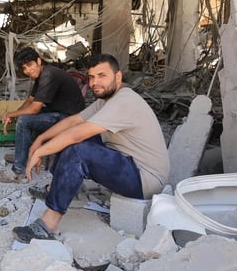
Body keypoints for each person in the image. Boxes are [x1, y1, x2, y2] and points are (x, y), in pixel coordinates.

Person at [12, 54, 169, 243]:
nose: (95, 82)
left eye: (102, 75)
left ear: (118, 76)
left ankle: (48, 225)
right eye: (92, 77)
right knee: (73, 135)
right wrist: (42, 139)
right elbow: (74, 121)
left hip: (145, 179)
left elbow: (77, 135)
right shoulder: (107, 99)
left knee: (78, 150)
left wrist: (40, 151)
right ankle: (54, 187)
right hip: (128, 163)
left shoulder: (125, 101)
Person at [0, 47, 86, 184]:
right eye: (24, 68)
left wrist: (12, 113)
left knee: (25, 121)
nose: (27, 70)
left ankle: (17, 171)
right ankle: (21, 156)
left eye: (29, 65)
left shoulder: (49, 75)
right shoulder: (42, 74)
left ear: (38, 61)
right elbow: (30, 100)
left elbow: (35, 109)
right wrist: (13, 115)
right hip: (60, 112)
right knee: (23, 117)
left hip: (70, 119)